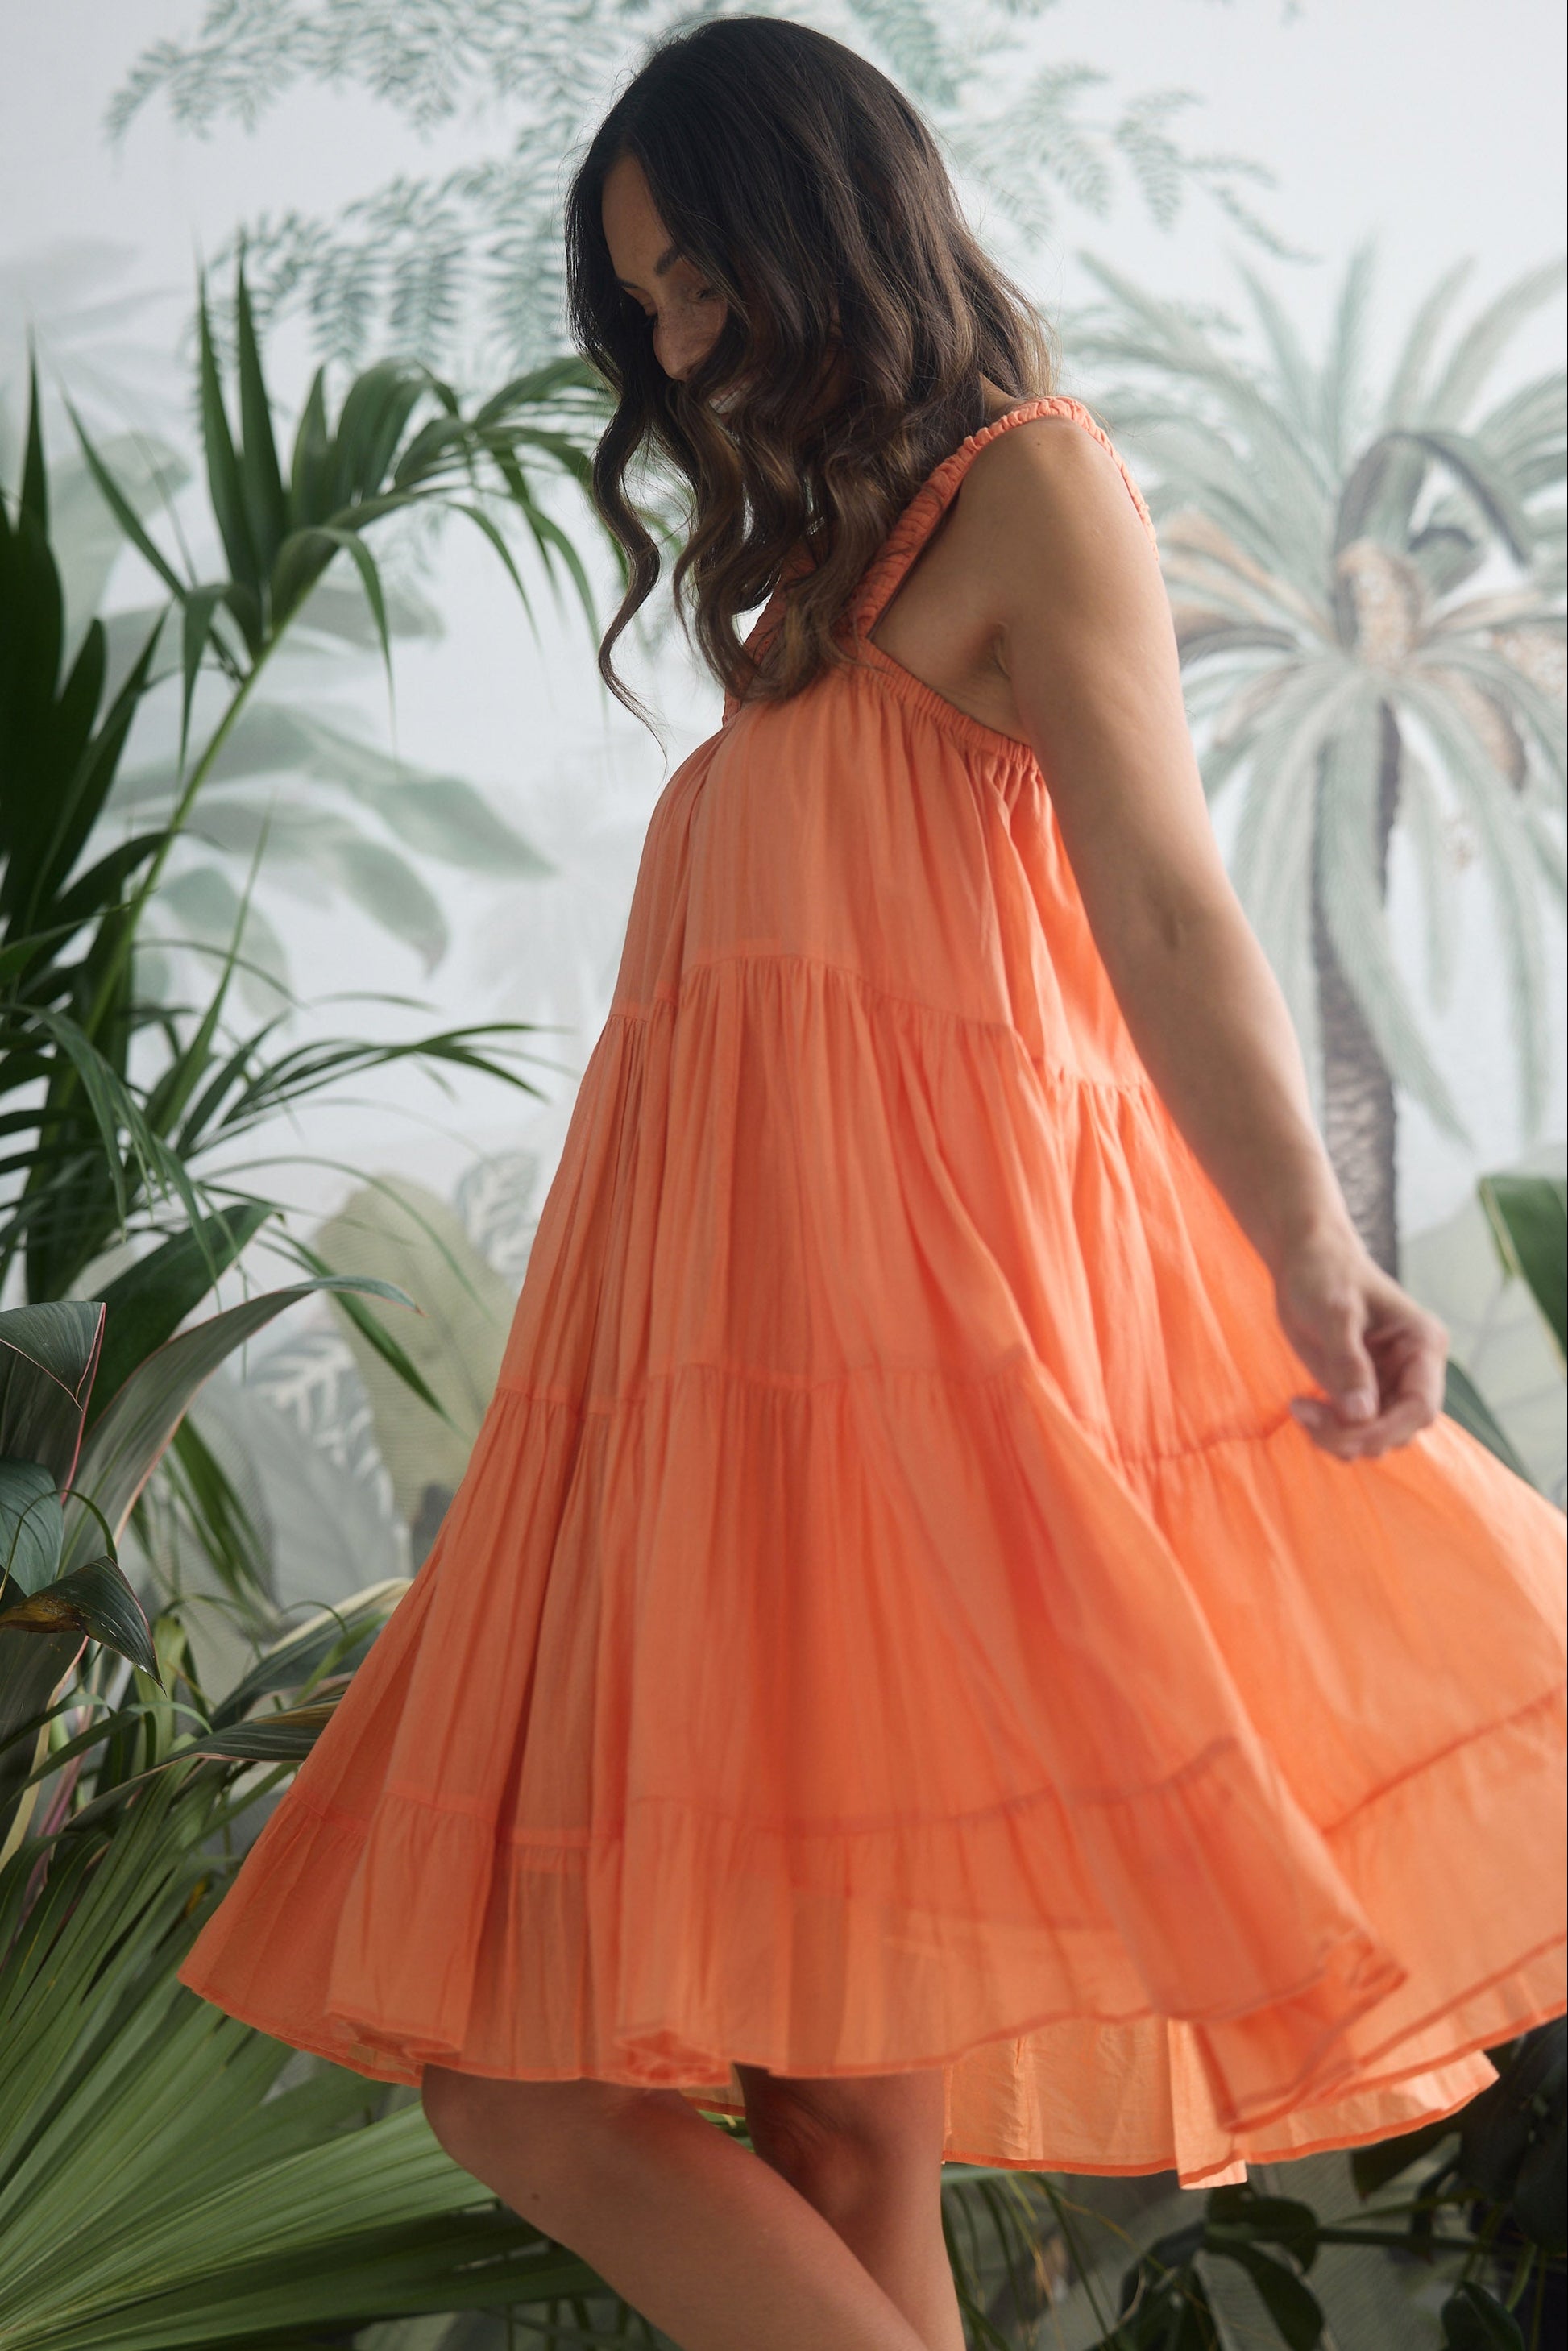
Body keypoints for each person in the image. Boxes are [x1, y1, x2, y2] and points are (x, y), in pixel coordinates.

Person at [177, 19, 1567, 2351]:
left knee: (527, 2096)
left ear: (831, 224)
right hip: (714, 1412)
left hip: (899, 1399)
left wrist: (1306, 1247)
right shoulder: (804, 580)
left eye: (701, 283)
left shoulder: (1028, 484)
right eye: (648, 316)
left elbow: (1164, 902)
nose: (681, 347)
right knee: (816, 2146)